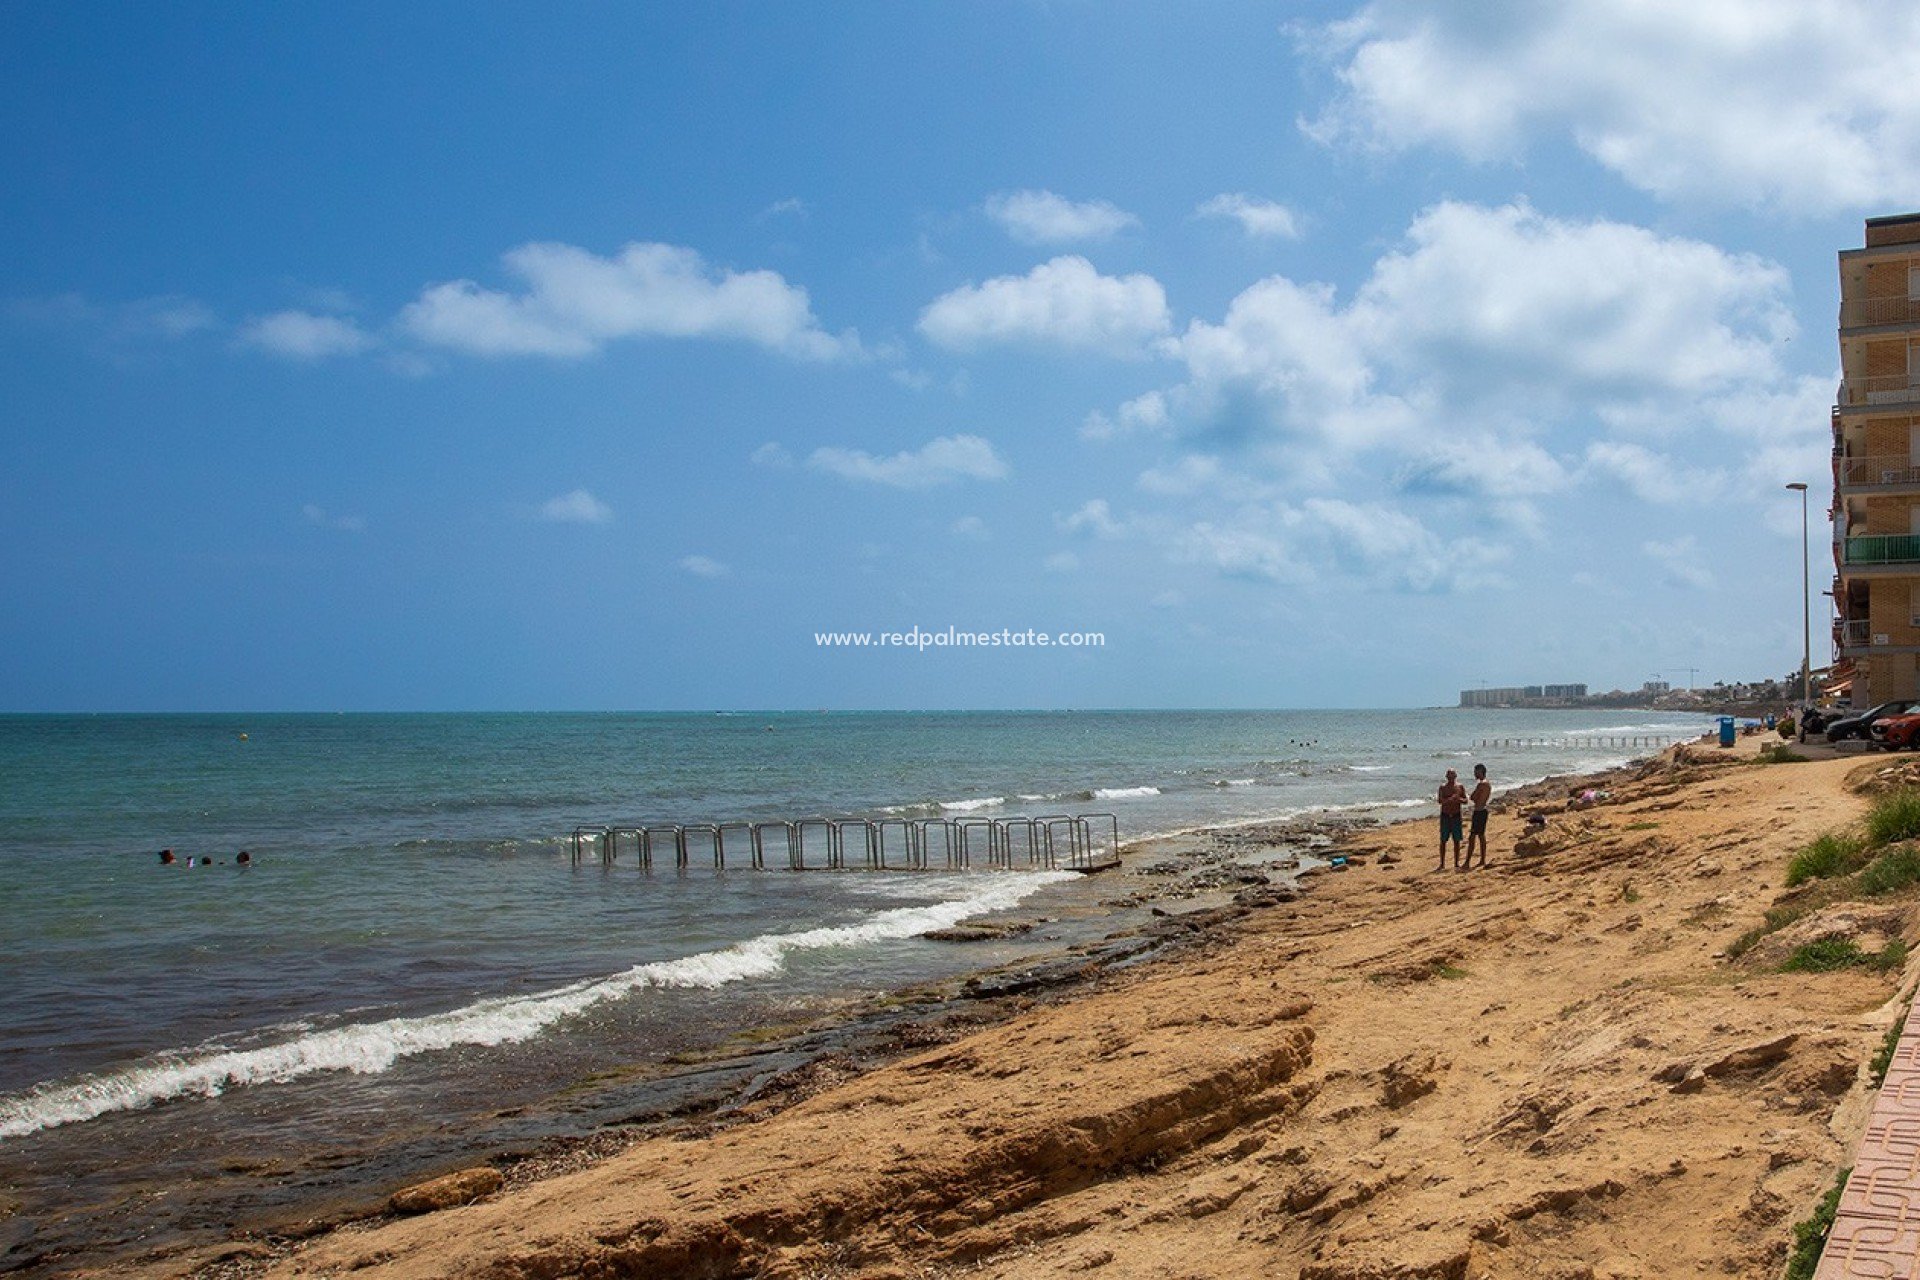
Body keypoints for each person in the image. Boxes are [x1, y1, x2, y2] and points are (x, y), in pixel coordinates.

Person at [1437, 769, 1467, 870]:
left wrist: (1458, 800)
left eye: (1452, 775)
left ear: (1456, 776)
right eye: (1449, 776)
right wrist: (1449, 800)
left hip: (1456, 815)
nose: (1451, 778)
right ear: (1446, 776)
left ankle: (1456, 863)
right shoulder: (1443, 787)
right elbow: (1440, 800)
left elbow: (1465, 800)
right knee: (1443, 840)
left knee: (1457, 840)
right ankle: (1442, 863)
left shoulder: (1460, 787)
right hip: (1445, 815)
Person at [1466, 763, 1492, 870]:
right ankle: (1482, 860)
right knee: (1481, 836)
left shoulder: (1482, 784)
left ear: (1481, 772)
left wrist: (1474, 796)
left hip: (1479, 811)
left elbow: (1473, 797)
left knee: (1472, 837)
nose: (1474, 774)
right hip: (1482, 810)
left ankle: (1468, 862)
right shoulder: (1487, 784)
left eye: (1476, 771)